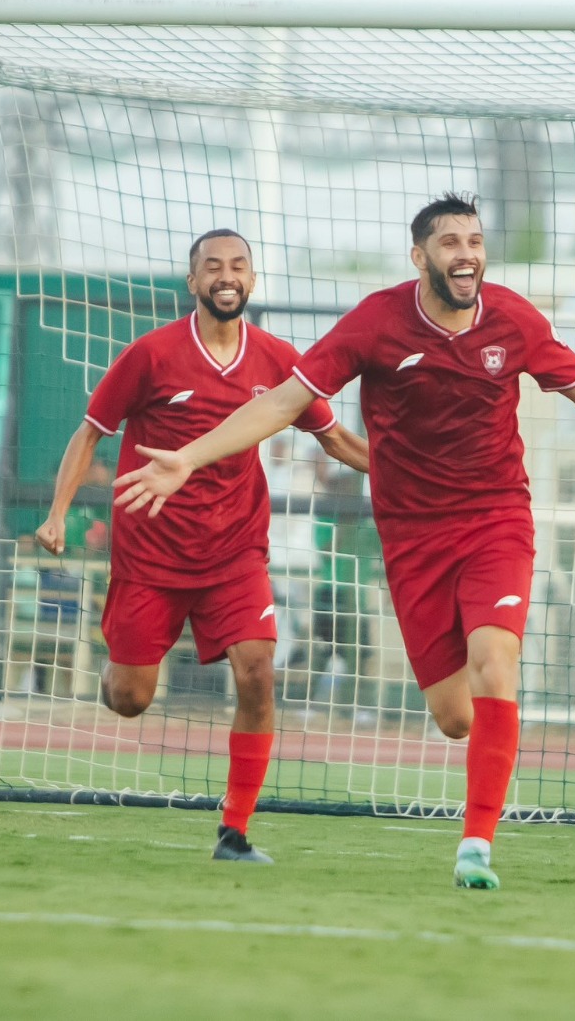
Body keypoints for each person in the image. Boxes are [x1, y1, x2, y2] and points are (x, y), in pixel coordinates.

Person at [114, 194, 575, 889]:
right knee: (456, 717)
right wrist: (192, 455)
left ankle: (476, 844)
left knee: (497, 660)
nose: (466, 253)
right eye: (450, 242)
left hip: (495, 520)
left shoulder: (513, 318)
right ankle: (476, 775)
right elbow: (282, 402)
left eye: (476, 241)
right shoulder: (376, 321)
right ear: (419, 255)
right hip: (413, 537)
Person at [36, 228, 369, 863]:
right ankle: (117, 670)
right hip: (150, 557)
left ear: (251, 279)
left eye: (238, 266)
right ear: (192, 282)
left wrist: (410, 474)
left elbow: (335, 439)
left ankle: (235, 831)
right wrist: (56, 515)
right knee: (131, 700)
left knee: (259, 673)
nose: (226, 275)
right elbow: (90, 434)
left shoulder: (276, 360)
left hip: (236, 555)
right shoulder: (151, 356)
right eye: (212, 266)